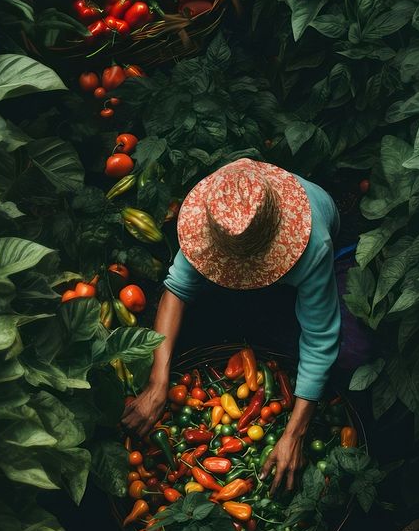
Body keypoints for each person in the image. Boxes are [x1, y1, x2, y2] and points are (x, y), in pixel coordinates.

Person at [122, 158, 341, 494]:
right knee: (211, 324)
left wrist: (294, 432)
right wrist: (157, 381)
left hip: (307, 259)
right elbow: (176, 289)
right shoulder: (217, 217)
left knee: (329, 347)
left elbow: (320, 337)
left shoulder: (313, 246)